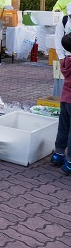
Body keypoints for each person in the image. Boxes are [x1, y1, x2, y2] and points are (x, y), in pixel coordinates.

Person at [50, 34, 71, 174]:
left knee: (63, 127)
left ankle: (58, 154)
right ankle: (69, 162)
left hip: (65, 99)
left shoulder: (67, 60)